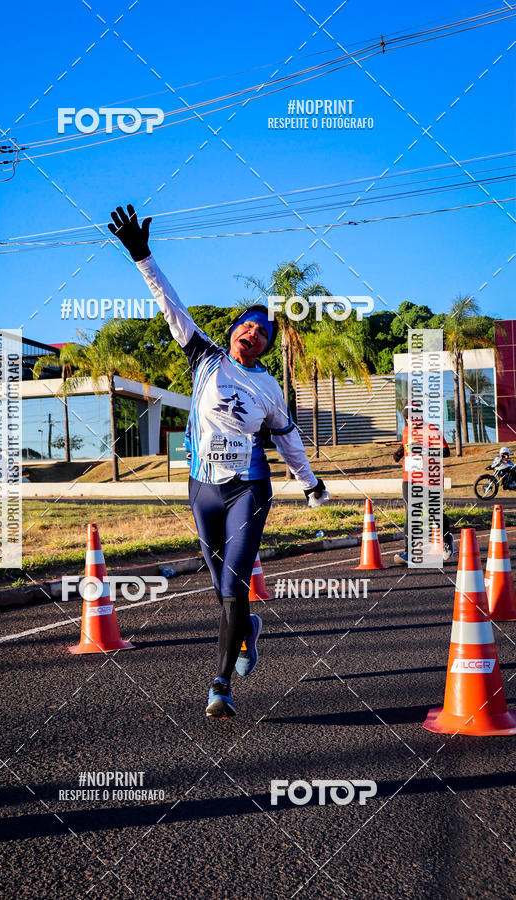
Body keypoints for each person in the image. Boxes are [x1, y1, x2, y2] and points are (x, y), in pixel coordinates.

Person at [109, 204, 328, 718]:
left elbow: (288, 440)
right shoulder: (203, 357)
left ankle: (221, 684)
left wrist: (310, 483)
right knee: (220, 585)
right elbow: (171, 304)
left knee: (234, 583)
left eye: (262, 334)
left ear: (266, 347)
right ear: (233, 331)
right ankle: (248, 628)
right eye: (246, 327)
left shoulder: (269, 388)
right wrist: (142, 256)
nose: (251, 334)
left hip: (248, 490)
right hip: (201, 488)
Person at [393, 401, 453, 564]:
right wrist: (399, 452)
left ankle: (447, 539)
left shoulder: (431, 429)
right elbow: (406, 446)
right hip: (410, 478)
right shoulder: (406, 431)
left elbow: (446, 452)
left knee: (434, 513)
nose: (409, 421)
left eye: (412, 417)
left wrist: (424, 450)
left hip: (430, 479)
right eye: (406, 417)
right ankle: (409, 553)